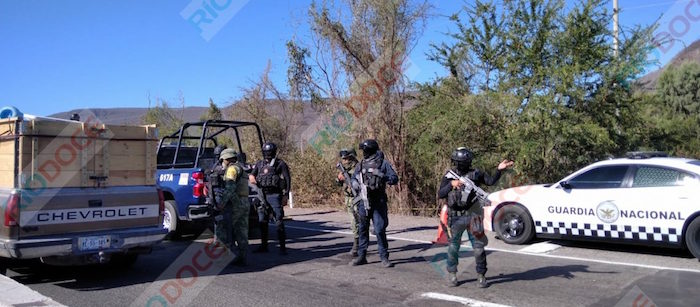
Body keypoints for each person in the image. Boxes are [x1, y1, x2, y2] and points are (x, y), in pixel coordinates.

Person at [438, 147, 513, 288]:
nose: (464, 164)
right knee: (454, 247)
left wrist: (499, 169)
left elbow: (490, 182)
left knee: (478, 248)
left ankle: (481, 276)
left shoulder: (476, 173)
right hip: (456, 218)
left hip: (474, 216)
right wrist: (451, 185)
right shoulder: (449, 176)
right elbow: (441, 194)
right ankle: (452, 274)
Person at [350, 139, 398, 268]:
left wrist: (383, 176)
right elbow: (354, 178)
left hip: (378, 201)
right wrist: (354, 183)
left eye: (365, 150)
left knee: (379, 229)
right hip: (363, 201)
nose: (363, 153)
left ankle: (384, 257)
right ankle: (362, 255)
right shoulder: (360, 165)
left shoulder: (383, 164)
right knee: (362, 229)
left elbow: (394, 178)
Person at [249, 142, 291, 255]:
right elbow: (252, 175)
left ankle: (282, 248)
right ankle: (264, 246)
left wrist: (286, 195)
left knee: (278, 221)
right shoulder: (259, 164)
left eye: (269, 152)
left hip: (275, 195)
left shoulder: (280, 163)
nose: (268, 154)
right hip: (262, 195)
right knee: (262, 221)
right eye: (266, 152)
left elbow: (287, 179)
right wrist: (252, 178)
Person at [219, 148, 250, 266]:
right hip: (245, 202)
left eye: (223, 160)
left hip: (236, 203)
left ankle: (225, 257)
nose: (222, 162)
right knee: (242, 230)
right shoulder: (242, 168)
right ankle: (242, 257)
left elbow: (230, 188)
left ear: (226, 159)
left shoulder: (231, 170)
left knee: (224, 228)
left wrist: (222, 203)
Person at [336, 148, 360, 257]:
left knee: (359, 221)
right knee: (353, 222)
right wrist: (340, 179)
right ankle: (356, 244)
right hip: (349, 198)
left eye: (346, 158)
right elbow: (339, 184)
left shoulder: (358, 167)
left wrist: (354, 183)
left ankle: (359, 244)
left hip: (359, 197)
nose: (344, 161)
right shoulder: (344, 169)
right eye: (343, 159)